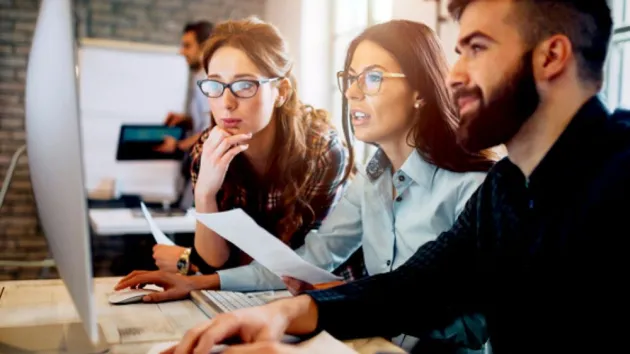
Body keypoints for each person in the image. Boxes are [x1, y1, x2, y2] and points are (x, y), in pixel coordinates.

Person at [157, 1, 630, 353]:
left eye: (478, 49)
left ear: (552, 57)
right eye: (459, 50)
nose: (455, 74)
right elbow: (411, 289)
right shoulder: (507, 187)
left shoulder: (615, 175)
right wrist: (281, 314)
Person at [117, 19, 498, 353]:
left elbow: (477, 325)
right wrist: (199, 281)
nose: (351, 92)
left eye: (373, 77)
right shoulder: (370, 181)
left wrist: (350, 304)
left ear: (420, 90)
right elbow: (308, 262)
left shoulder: (475, 188)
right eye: (350, 78)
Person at [126, 17, 352, 279]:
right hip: (251, 297)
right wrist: (205, 194)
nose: (226, 102)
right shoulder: (207, 149)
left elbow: (295, 266)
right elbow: (215, 260)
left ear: (280, 91)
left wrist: (187, 261)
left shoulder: (320, 150)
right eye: (215, 85)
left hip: (328, 299)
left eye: (245, 85)